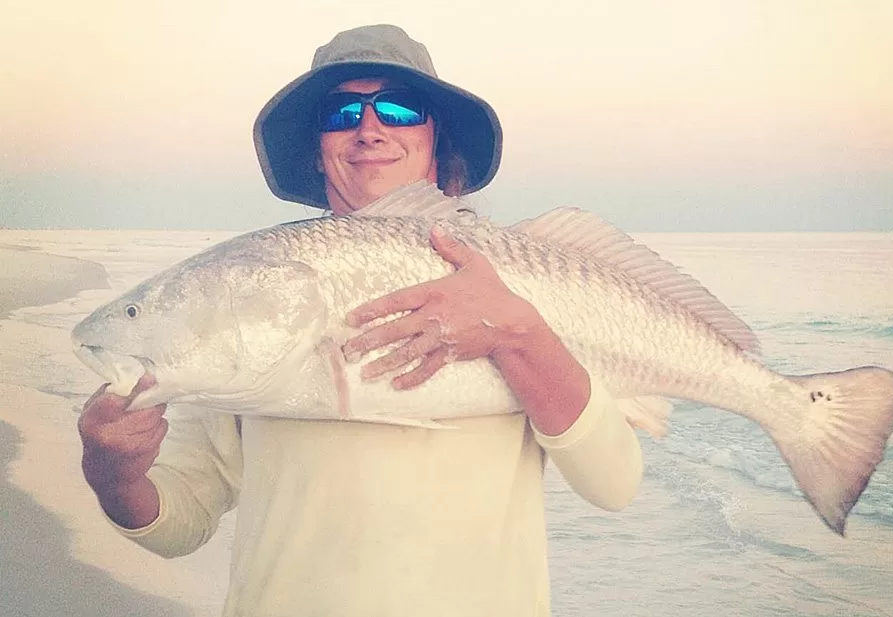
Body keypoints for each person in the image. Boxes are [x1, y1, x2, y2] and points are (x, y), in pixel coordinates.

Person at [78, 24, 644, 617]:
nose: (369, 128)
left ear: (436, 142)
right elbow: (180, 520)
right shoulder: (251, 313)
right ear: (317, 147)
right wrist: (111, 471)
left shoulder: (521, 289)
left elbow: (613, 483)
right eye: (342, 111)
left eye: (400, 109)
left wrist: (521, 333)